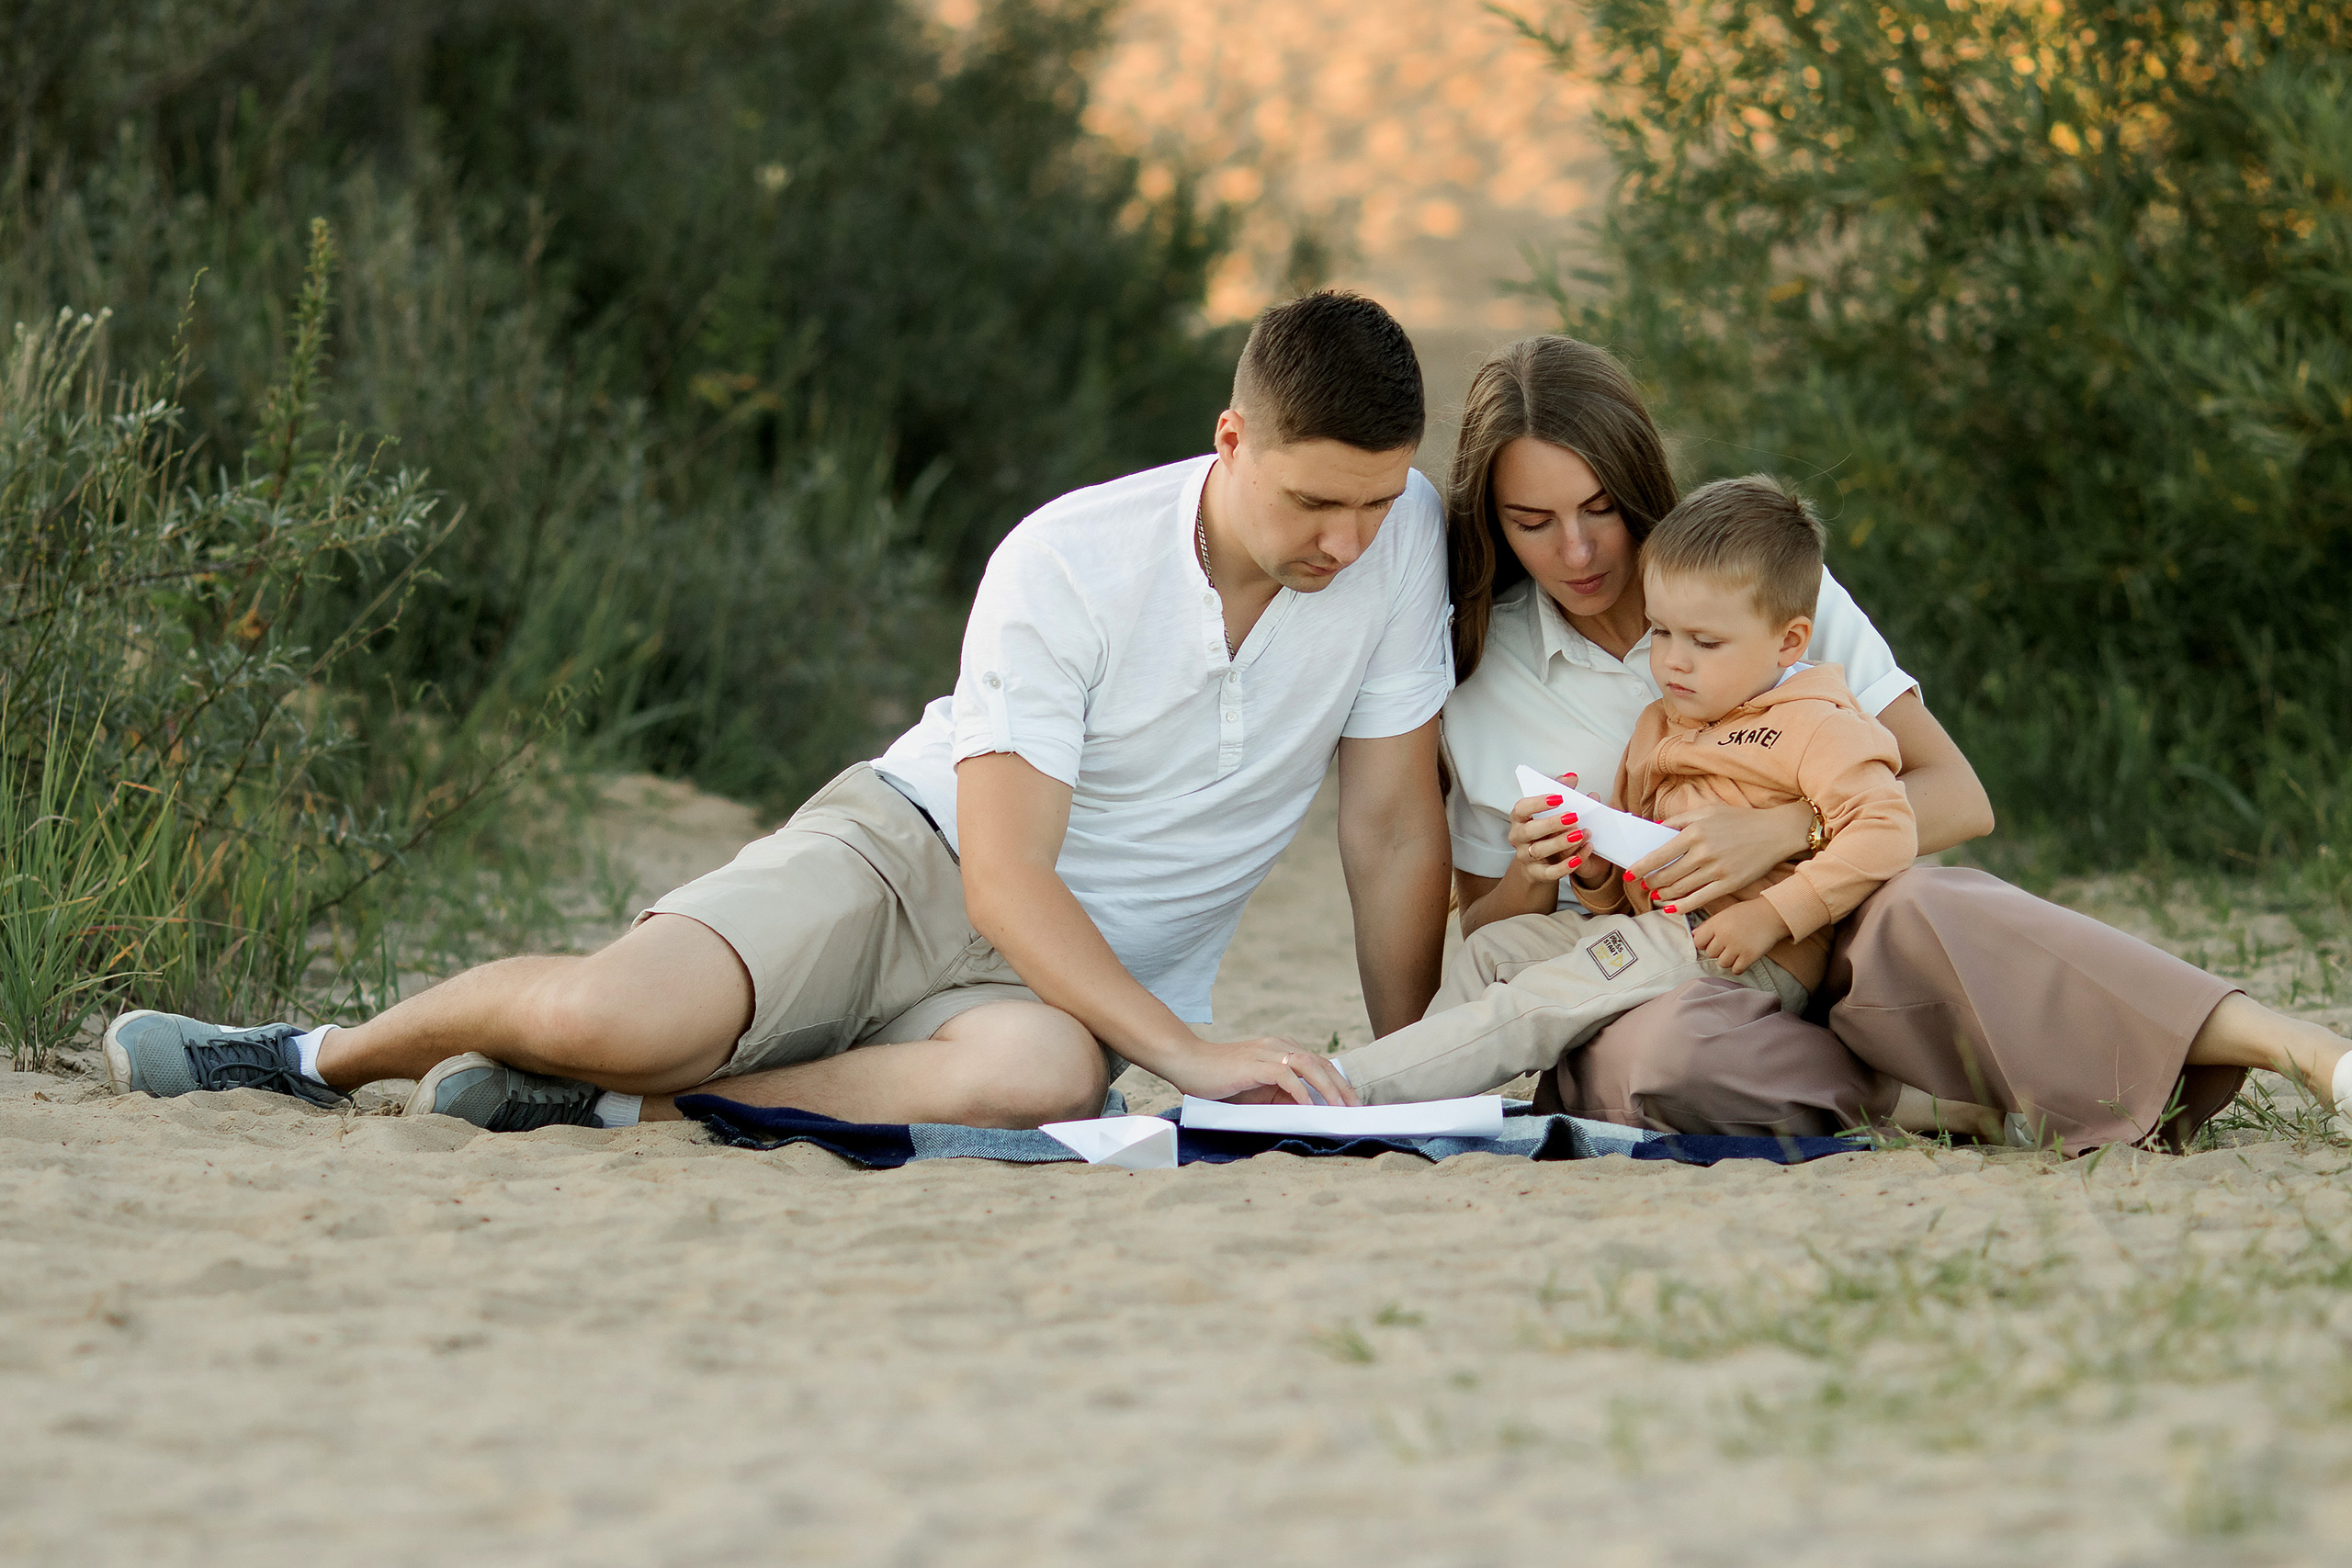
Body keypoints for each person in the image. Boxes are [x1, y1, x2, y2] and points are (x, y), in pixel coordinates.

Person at [102, 290, 1456, 1131]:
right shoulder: (1071, 559)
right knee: (614, 1014)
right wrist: (1190, 1053)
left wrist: (1406, 1076)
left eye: (1374, 502)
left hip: (1075, 986)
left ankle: (632, 1108)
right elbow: (1000, 871)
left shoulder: (1401, 544)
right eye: (1311, 501)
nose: (1346, 538)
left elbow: (1393, 831)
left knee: (1042, 1078)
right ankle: (310, 1052)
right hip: (908, 856)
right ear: (1231, 442)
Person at [1431, 334, 2350, 1153]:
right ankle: (1935, 1102)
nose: (1579, 550)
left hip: (1841, 934)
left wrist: (1790, 830)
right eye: (1533, 523)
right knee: (1664, 1059)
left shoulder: (1761, 582)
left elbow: (1956, 796)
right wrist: (1540, 869)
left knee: (1927, 905)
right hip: (1660, 983)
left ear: (1636, 482)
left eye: (1598, 507)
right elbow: (1489, 927)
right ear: (1494, 524)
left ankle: (2291, 1046)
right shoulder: (1481, 679)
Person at [1333, 472, 1932, 1106]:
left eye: (1704, 642)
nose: (1672, 660)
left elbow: (1889, 828)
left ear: (1788, 641)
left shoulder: (1816, 719)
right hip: (1658, 929)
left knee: (1546, 1001)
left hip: (1743, 945)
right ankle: (1419, 1099)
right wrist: (1593, 863)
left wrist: (1772, 914)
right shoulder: (1658, 727)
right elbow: (1628, 885)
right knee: (1493, 949)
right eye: (1662, 632)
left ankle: (1352, 1089)